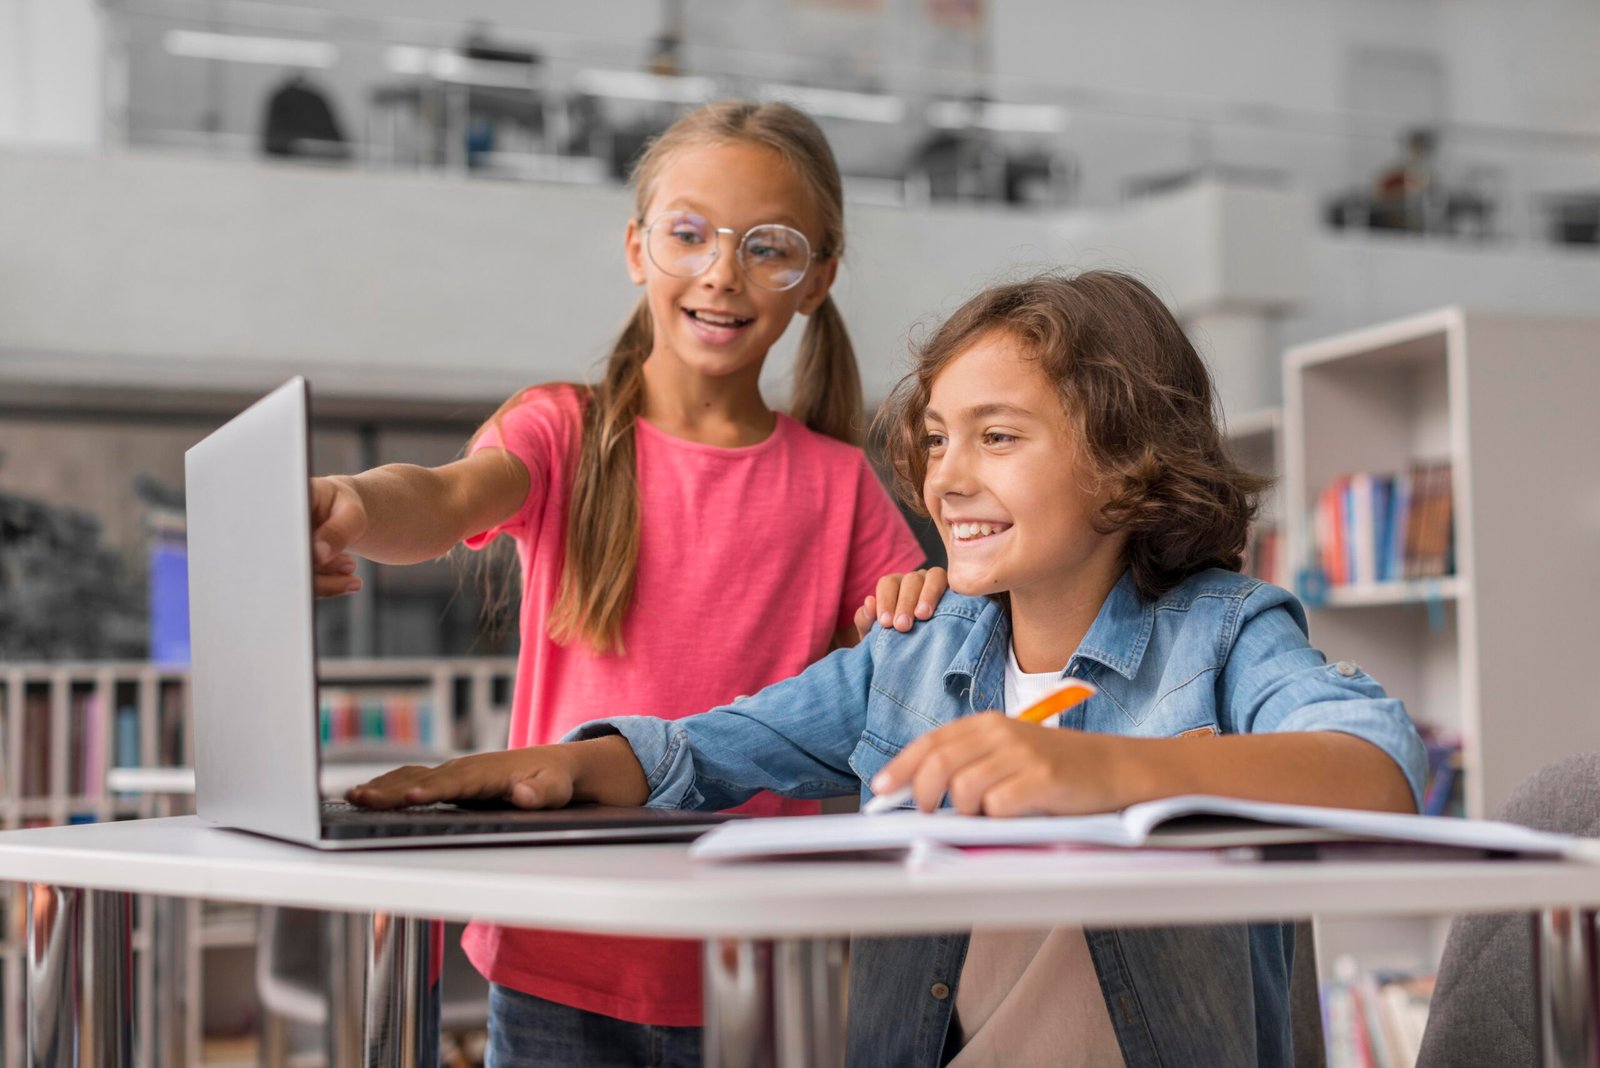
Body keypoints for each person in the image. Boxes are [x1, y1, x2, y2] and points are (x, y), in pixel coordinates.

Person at [350, 270, 1426, 1066]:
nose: (945, 477)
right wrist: (541, 769)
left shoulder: (1222, 632)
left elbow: (1377, 769)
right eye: (938, 439)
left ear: (1123, 463)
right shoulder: (916, 655)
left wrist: (1104, 776)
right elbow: (698, 751)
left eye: (996, 438)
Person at [310, 100, 945, 1066]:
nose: (721, 273)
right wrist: (354, 500)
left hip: (752, 964)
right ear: (638, 247)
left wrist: (914, 603)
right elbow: (439, 497)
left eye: (767, 247)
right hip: (557, 944)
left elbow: (922, 659)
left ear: (815, 279)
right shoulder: (560, 428)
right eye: (689, 234)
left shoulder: (838, 482)